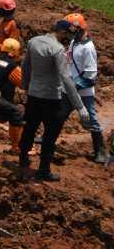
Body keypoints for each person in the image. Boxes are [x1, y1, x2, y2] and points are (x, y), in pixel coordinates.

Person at [18, 20, 90, 181]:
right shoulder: (57, 50)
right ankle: (44, 170)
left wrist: (25, 87)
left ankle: (22, 160)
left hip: (34, 96)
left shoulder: (33, 42)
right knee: (50, 136)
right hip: (52, 99)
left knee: (29, 129)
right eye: (69, 35)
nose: (70, 39)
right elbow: (66, 79)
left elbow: (25, 66)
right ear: (63, 33)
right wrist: (80, 106)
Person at [62, 13, 107, 163]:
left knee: (90, 120)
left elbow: (91, 74)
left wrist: (74, 86)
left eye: (72, 30)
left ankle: (100, 151)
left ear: (79, 29)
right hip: (70, 88)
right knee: (59, 115)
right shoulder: (74, 42)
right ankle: (47, 138)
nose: (69, 33)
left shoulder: (88, 48)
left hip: (83, 91)